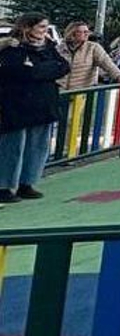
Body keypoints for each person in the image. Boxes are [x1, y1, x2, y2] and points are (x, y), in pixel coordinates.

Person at [0, 13, 72, 203]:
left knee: (37, 146)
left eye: (46, 27)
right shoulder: (12, 47)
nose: (44, 31)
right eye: (41, 27)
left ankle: (27, 183)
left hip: (43, 103)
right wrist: (41, 71)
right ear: (27, 27)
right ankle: (4, 186)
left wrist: (38, 70)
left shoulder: (49, 47)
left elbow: (63, 66)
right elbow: (16, 72)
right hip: (16, 105)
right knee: (12, 147)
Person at [57, 21, 120, 90]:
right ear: (72, 33)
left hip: (83, 91)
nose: (87, 34)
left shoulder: (93, 47)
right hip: (61, 91)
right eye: (83, 32)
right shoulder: (60, 48)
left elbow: (107, 64)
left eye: (87, 31)